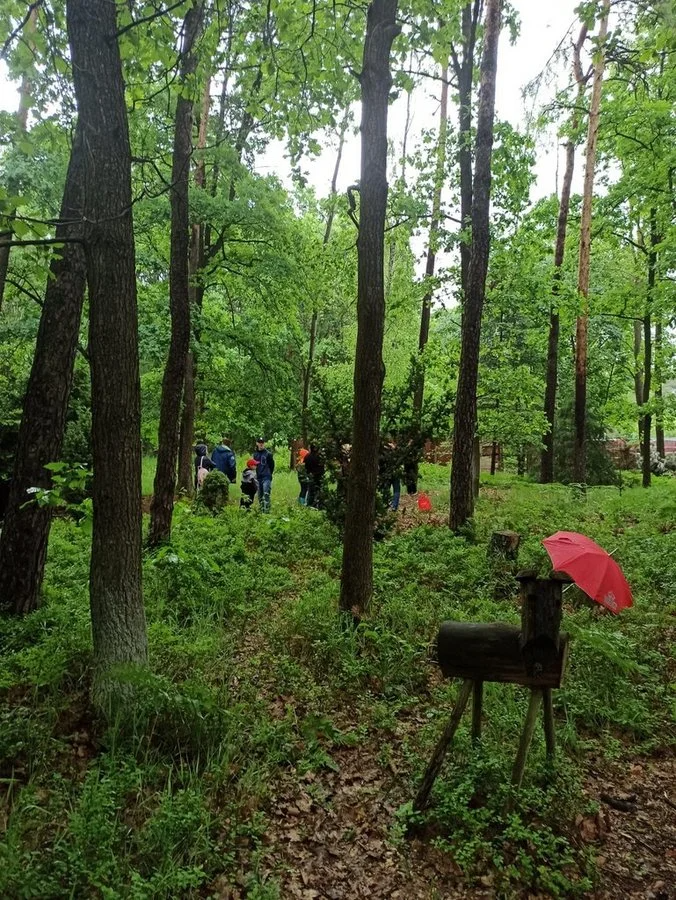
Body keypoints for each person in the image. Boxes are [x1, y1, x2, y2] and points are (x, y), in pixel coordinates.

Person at [253, 437, 275, 512]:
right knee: (260, 495)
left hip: (266, 477)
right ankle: (261, 510)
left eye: (262, 442)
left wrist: (269, 473)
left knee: (266, 494)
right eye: (259, 442)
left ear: (264, 443)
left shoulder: (268, 454)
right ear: (257, 443)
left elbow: (272, 465)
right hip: (259, 477)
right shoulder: (255, 454)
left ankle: (267, 511)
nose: (261, 444)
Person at [304, 443, 325, 509]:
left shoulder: (307, 456)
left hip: (311, 475)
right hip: (320, 475)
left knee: (311, 491)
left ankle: (310, 505)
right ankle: (319, 505)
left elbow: (306, 466)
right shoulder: (320, 456)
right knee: (319, 490)